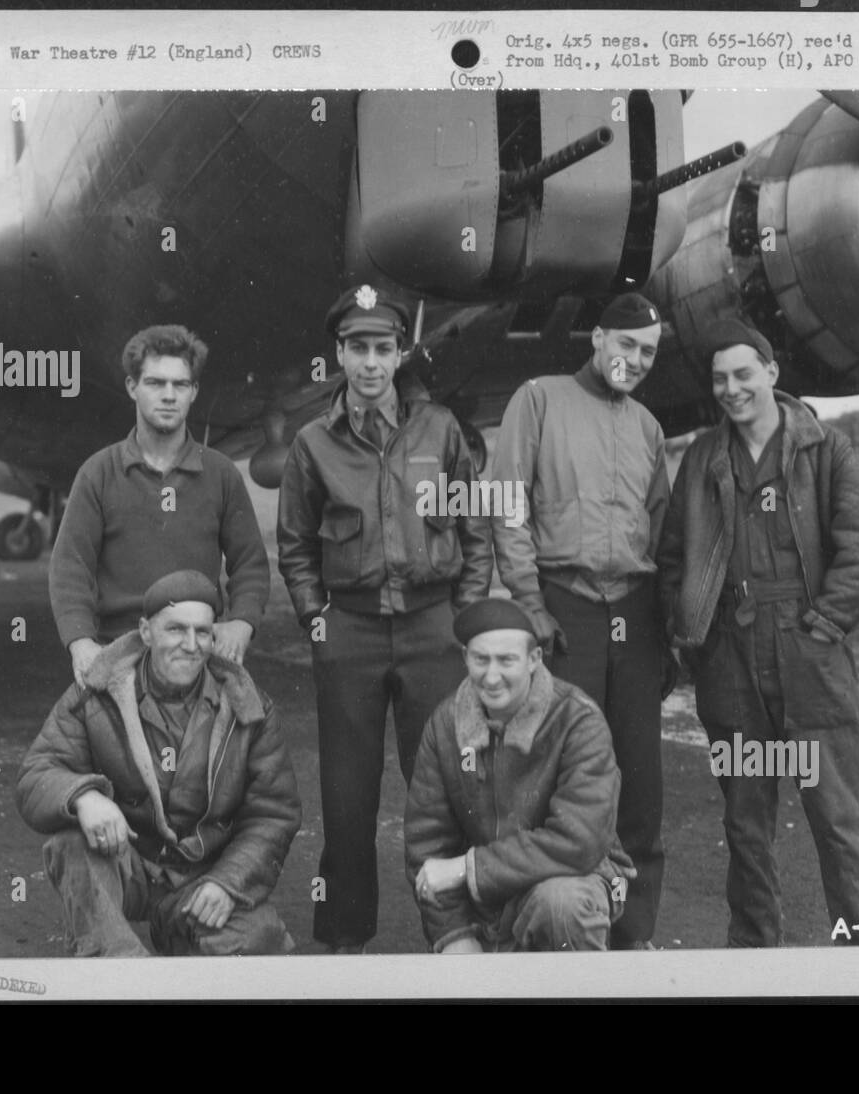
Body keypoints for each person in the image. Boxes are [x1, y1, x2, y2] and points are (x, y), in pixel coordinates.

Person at [656, 318, 859, 947]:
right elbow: (674, 557)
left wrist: (824, 624)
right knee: (745, 821)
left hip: (810, 653)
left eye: (743, 374)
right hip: (730, 660)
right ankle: (754, 952)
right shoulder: (704, 458)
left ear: (771, 373)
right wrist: (695, 635)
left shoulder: (827, 448)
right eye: (719, 379)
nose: (732, 389)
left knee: (839, 816)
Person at [277, 284, 494, 953]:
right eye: (357, 348)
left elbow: (475, 530)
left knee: (447, 787)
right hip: (352, 632)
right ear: (339, 354)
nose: (371, 363)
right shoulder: (313, 444)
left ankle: (456, 932)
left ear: (401, 354)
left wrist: (466, 617)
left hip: (433, 627)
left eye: (383, 348)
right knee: (348, 801)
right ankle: (346, 939)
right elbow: (295, 544)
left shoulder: (442, 431)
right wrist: (316, 616)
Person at [489, 292, 670, 949]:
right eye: (627, 345)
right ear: (598, 338)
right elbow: (507, 505)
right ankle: (548, 924)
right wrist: (530, 604)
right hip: (564, 607)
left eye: (649, 351)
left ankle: (634, 934)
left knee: (641, 781)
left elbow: (664, 532)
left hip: (635, 613)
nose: (636, 360)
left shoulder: (649, 428)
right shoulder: (536, 398)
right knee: (560, 774)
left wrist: (668, 630)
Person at [16, 570, 300, 956]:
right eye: (175, 630)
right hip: (126, 862)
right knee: (70, 843)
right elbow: (36, 773)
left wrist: (227, 883)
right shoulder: (96, 693)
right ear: (146, 632)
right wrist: (84, 797)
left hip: (203, 875)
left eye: (203, 632)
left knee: (262, 940)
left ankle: (178, 931)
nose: (190, 644)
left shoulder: (250, 708)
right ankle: (119, 970)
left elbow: (273, 813)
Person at [404, 598, 633, 952]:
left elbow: (579, 841)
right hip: (483, 906)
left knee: (560, 904)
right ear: (465, 657)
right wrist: (454, 936)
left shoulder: (577, 719)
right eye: (480, 659)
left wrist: (469, 868)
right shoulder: (445, 723)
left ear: (534, 660)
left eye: (506, 660)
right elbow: (427, 846)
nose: (491, 676)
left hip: (571, 882)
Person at [50, 324, 269, 688]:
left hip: (196, 652)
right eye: (155, 383)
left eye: (180, 385)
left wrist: (242, 622)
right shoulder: (98, 473)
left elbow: (251, 563)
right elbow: (70, 567)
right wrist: (81, 643)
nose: (168, 395)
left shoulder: (221, 474)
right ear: (132, 387)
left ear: (194, 391)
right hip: (119, 653)